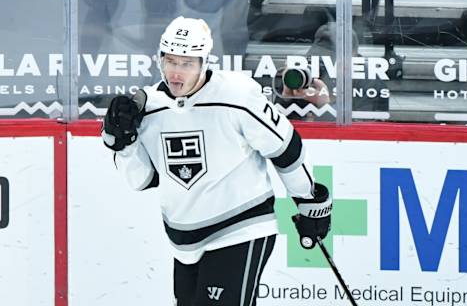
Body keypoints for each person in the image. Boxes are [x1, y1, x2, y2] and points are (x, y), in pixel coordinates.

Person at [101, 16, 332, 306]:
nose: (176, 72)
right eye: (170, 61)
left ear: (203, 62)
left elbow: (284, 147)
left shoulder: (237, 95)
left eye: (186, 63)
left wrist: (308, 200)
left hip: (242, 228)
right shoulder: (147, 106)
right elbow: (142, 179)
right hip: (184, 242)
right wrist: (123, 143)